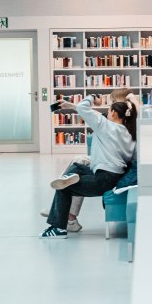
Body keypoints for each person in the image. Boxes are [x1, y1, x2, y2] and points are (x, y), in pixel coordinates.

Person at [40, 89, 140, 232]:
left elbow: (89, 112)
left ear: (116, 111)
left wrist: (92, 97)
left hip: (107, 171)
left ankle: (62, 217)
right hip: (115, 167)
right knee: (77, 165)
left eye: (110, 104)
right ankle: (64, 212)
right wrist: (70, 106)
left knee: (66, 184)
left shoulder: (108, 126)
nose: (107, 108)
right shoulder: (127, 129)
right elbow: (95, 115)